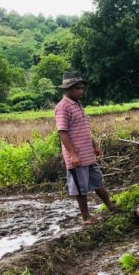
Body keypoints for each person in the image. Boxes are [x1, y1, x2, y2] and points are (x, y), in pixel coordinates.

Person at [54, 72, 118, 225]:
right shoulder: (63, 107)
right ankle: (86, 217)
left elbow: (84, 130)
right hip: (76, 157)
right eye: (77, 88)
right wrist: (73, 155)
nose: (81, 91)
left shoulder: (78, 105)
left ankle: (110, 207)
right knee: (80, 188)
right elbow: (62, 132)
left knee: (98, 182)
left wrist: (95, 146)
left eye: (82, 88)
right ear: (68, 89)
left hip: (88, 154)